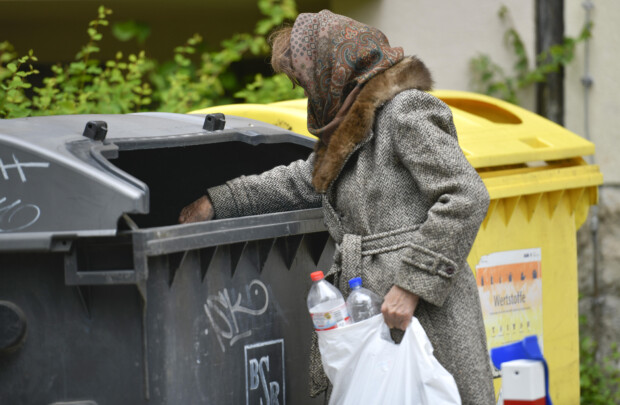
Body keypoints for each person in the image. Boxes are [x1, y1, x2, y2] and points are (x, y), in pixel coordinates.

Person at [179, 10, 495, 405]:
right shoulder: (352, 126)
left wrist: (413, 285)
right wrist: (217, 201)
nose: (305, 89)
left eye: (303, 78)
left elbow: (466, 194)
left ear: (332, 67)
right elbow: (300, 180)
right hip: (373, 308)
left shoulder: (404, 111)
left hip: (421, 309)